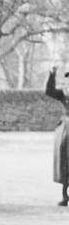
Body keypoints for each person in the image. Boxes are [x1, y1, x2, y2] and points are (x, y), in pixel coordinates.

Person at [45, 66, 69, 206]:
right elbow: (49, 91)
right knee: (65, 162)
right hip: (66, 130)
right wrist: (52, 75)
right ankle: (65, 196)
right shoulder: (63, 94)